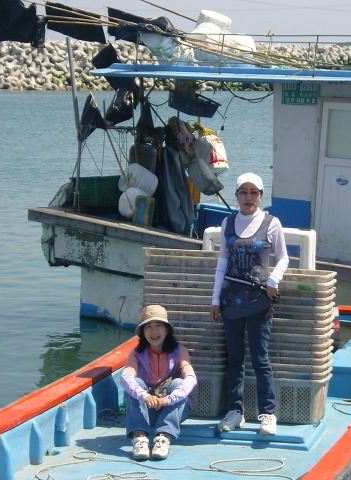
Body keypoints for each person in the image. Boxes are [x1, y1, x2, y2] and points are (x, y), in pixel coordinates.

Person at [210, 172, 289, 435]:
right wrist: (215, 300)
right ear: (236, 195)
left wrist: (274, 280)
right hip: (230, 302)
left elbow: (283, 257)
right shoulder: (227, 222)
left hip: (259, 302)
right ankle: (235, 411)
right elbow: (222, 261)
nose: (248, 197)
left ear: (261, 196)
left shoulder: (272, 223)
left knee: (260, 359)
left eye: (254, 192)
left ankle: (267, 413)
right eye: (243, 192)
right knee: (235, 359)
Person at [120, 305, 197, 460]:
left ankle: (163, 437)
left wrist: (168, 400)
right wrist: (145, 396)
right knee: (136, 382)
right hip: (146, 411)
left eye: (158, 326)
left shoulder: (180, 351)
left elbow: (191, 378)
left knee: (178, 383)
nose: (154, 332)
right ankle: (139, 437)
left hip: (173, 410)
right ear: (143, 332)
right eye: (148, 327)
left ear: (167, 330)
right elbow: (125, 377)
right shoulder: (136, 353)